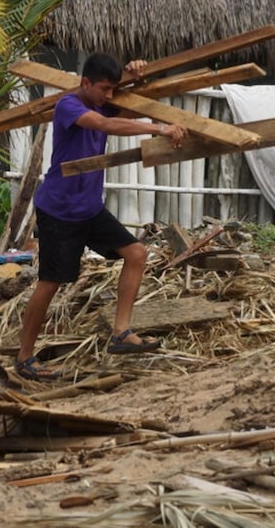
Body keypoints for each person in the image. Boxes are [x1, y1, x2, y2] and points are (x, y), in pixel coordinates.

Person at [14, 53, 187, 381]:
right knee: (50, 283)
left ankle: (120, 333)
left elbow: (135, 105)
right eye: (105, 89)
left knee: (136, 253)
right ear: (85, 83)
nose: (110, 96)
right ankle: (24, 358)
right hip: (59, 210)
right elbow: (107, 124)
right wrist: (160, 129)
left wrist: (138, 77)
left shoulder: (103, 101)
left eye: (113, 90)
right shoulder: (68, 106)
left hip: (90, 207)